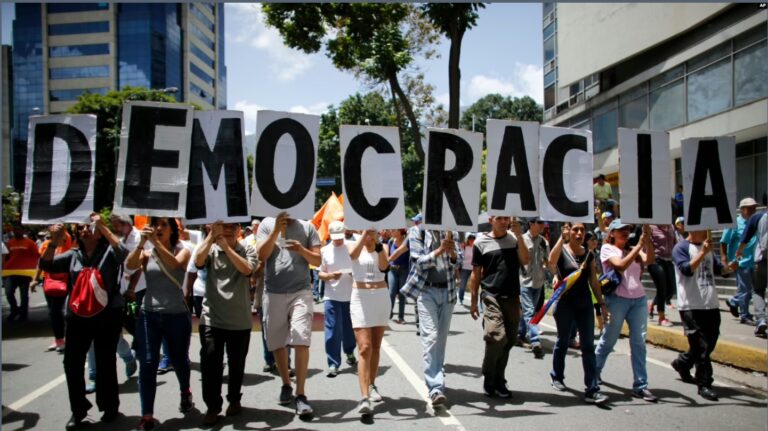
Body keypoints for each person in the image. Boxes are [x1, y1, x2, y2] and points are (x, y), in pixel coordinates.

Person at [39, 215, 127, 430]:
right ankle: (78, 410)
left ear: (98, 233)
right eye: (80, 227)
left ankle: (109, 406)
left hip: (106, 317)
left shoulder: (108, 252)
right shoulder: (72, 255)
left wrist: (104, 228)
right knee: (71, 363)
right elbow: (47, 265)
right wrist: (53, 240)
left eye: (89, 226)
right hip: (77, 317)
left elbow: (123, 253)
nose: (83, 229)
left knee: (106, 362)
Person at [125, 217, 193, 430]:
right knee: (147, 363)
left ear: (173, 230)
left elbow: (174, 265)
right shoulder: (146, 253)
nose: (159, 228)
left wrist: (154, 243)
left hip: (176, 315)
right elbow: (129, 265)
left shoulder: (184, 249)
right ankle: (147, 416)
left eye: (164, 225)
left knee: (179, 359)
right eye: (156, 225)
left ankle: (185, 391)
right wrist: (141, 244)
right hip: (149, 315)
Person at [256, 212, 321, 419]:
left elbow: (317, 260)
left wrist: (302, 250)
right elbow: (261, 255)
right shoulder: (266, 224)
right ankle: (286, 383)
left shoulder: (308, 227)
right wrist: (276, 230)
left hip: (301, 291)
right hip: (273, 292)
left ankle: (301, 394)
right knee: (277, 342)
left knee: (301, 338)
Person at [195, 222, 258, 426]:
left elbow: (247, 270)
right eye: (224, 226)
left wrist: (227, 248)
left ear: (239, 229)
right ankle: (213, 406)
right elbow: (198, 261)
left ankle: (234, 399)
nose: (228, 229)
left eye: (232, 226)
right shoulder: (210, 247)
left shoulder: (247, 247)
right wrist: (210, 237)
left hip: (239, 320)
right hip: (212, 317)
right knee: (210, 364)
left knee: (236, 364)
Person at [595, 221, 658, 402]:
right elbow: (620, 265)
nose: (625, 232)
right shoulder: (607, 249)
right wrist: (639, 246)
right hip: (617, 300)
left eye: (628, 229)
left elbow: (650, 260)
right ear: (612, 233)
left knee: (639, 342)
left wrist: (648, 241)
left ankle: (640, 385)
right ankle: (594, 373)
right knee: (609, 339)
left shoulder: (634, 249)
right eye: (621, 230)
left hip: (638, 300)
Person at [400, 224, 462, 407]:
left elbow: (458, 263)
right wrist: (440, 250)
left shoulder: (453, 231)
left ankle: (437, 373)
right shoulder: (417, 231)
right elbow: (418, 262)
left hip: (448, 292)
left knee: (441, 340)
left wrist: (451, 254)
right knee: (431, 338)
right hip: (426, 292)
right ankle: (435, 387)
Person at [548, 222, 609, 404]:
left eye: (582, 230)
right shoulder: (562, 250)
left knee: (588, 346)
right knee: (563, 340)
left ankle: (592, 389)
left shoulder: (589, 255)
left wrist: (602, 304)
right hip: (565, 305)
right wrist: (561, 237)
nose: (579, 233)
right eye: (575, 229)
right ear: (569, 231)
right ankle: (557, 376)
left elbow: (594, 281)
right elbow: (551, 261)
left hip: (584, 306)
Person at [470, 216, 529, 397]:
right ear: (491, 220)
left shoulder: (513, 238)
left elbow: (525, 260)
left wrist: (519, 236)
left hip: (512, 297)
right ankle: (489, 376)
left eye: (506, 219)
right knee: (496, 336)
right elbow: (476, 273)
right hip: (491, 296)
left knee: (510, 340)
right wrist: (473, 301)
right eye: (500, 219)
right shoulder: (480, 242)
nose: (504, 222)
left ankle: (499, 378)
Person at [671, 229, 723, 401]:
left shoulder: (707, 247)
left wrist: (731, 263)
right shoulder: (681, 247)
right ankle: (704, 384)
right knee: (702, 347)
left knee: (710, 343)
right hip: (691, 305)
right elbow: (686, 269)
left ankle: (682, 363)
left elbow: (719, 269)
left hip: (711, 303)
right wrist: (703, 252)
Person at [347, 229, 390, 416]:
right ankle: (364, 397)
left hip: (380, 297)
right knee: (364, 347)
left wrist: (378, 244)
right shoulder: (354, 245)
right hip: (360, 299)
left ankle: (372, 385)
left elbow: (384, 267)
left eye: (373, 230)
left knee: (376, 347)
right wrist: (364, 235)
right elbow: (352, 255)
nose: (370, 234)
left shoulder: (383, 247)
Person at [318, 221, 357, 378]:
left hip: (352, 296)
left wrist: (355, 275)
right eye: (335, 237)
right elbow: (320, 273)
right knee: (332, 330)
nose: (338, 240)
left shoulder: (353, 246)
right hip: (331, 296)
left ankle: (349, 351)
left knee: (349, 329)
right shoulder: (324, 250)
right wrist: (329, 276)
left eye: (340, 237)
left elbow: (360, 267)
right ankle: (333, 363)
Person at [31, 226, 73, 352]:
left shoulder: (67, 242)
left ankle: (66, 338)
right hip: (48, 280)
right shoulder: (45, 244)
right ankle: (59, 339)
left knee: (59, 311)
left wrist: (59, 231)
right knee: (52, 312)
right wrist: (35, 279)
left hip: (64, 280)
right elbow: (41, 262)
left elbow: (63, 236)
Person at [722, 197, 759, 324]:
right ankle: (745, 315)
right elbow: (723, 242)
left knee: (751, 289)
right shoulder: (734, 223)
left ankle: (734, 301)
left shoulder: (756, 221)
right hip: (741, 262)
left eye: (754, 207)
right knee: (745, 289)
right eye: (751, 208)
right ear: (743, 209)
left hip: (755, 260)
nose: (754, 210)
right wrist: (725, 260)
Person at [517, 218, 550, 358]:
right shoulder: (520, 239)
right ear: (531, 224)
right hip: (524, 282)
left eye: (543, 223)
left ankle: (519, 334)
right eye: (540, 223)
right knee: (530, 312)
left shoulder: (544, 241)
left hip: (538, 282)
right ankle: (535, 341)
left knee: (529, 312)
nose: (543, 226)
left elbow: (548, 261)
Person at [736, 209, 767, 337]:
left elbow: (745, 237)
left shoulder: (758, 216)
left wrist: (739, 252)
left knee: (758, 290)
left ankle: (761, 319)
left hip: (762, 259)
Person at [3, 225, 40, 323]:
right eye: (15, 230)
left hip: (25, 272)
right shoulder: (10, 243)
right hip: (11, 272)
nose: (16, 232)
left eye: (18, 229)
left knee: (24, 295)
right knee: (8, 292)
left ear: (22, 231)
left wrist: (34, 273)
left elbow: (36, 256)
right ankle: (14, 310)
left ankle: (23, 314)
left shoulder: (30, 243)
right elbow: (6, 257)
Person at [647, 224, 677, 326]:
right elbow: (646, 244)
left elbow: (675, 242)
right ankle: (662, 317)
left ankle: (652, 304)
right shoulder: (651, 227)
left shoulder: (671, 226)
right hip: (656, 260)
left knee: (672, 289)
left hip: (669, 260)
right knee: (661, 288)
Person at [387, 228, 409, 322]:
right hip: (392, 270)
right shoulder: (391, 241)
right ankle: (389, 313)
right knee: (391, 292)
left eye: (394, 230)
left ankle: (401, 317)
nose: (391, 231)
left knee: (402, 294)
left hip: (404, 270)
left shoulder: (407, 241)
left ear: (400, 232)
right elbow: (387, 255)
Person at [458, 234, 475, 306]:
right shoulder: (464, 247)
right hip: (465, 268)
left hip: (474, 269)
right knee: (462, 285)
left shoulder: (476, 247)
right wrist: (461, 248)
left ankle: (475, 302)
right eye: (470, 238)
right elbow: (460, 256)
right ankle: (460, 299)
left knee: (474, 286)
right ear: (467, 239)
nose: (472, 240)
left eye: (473, 238)